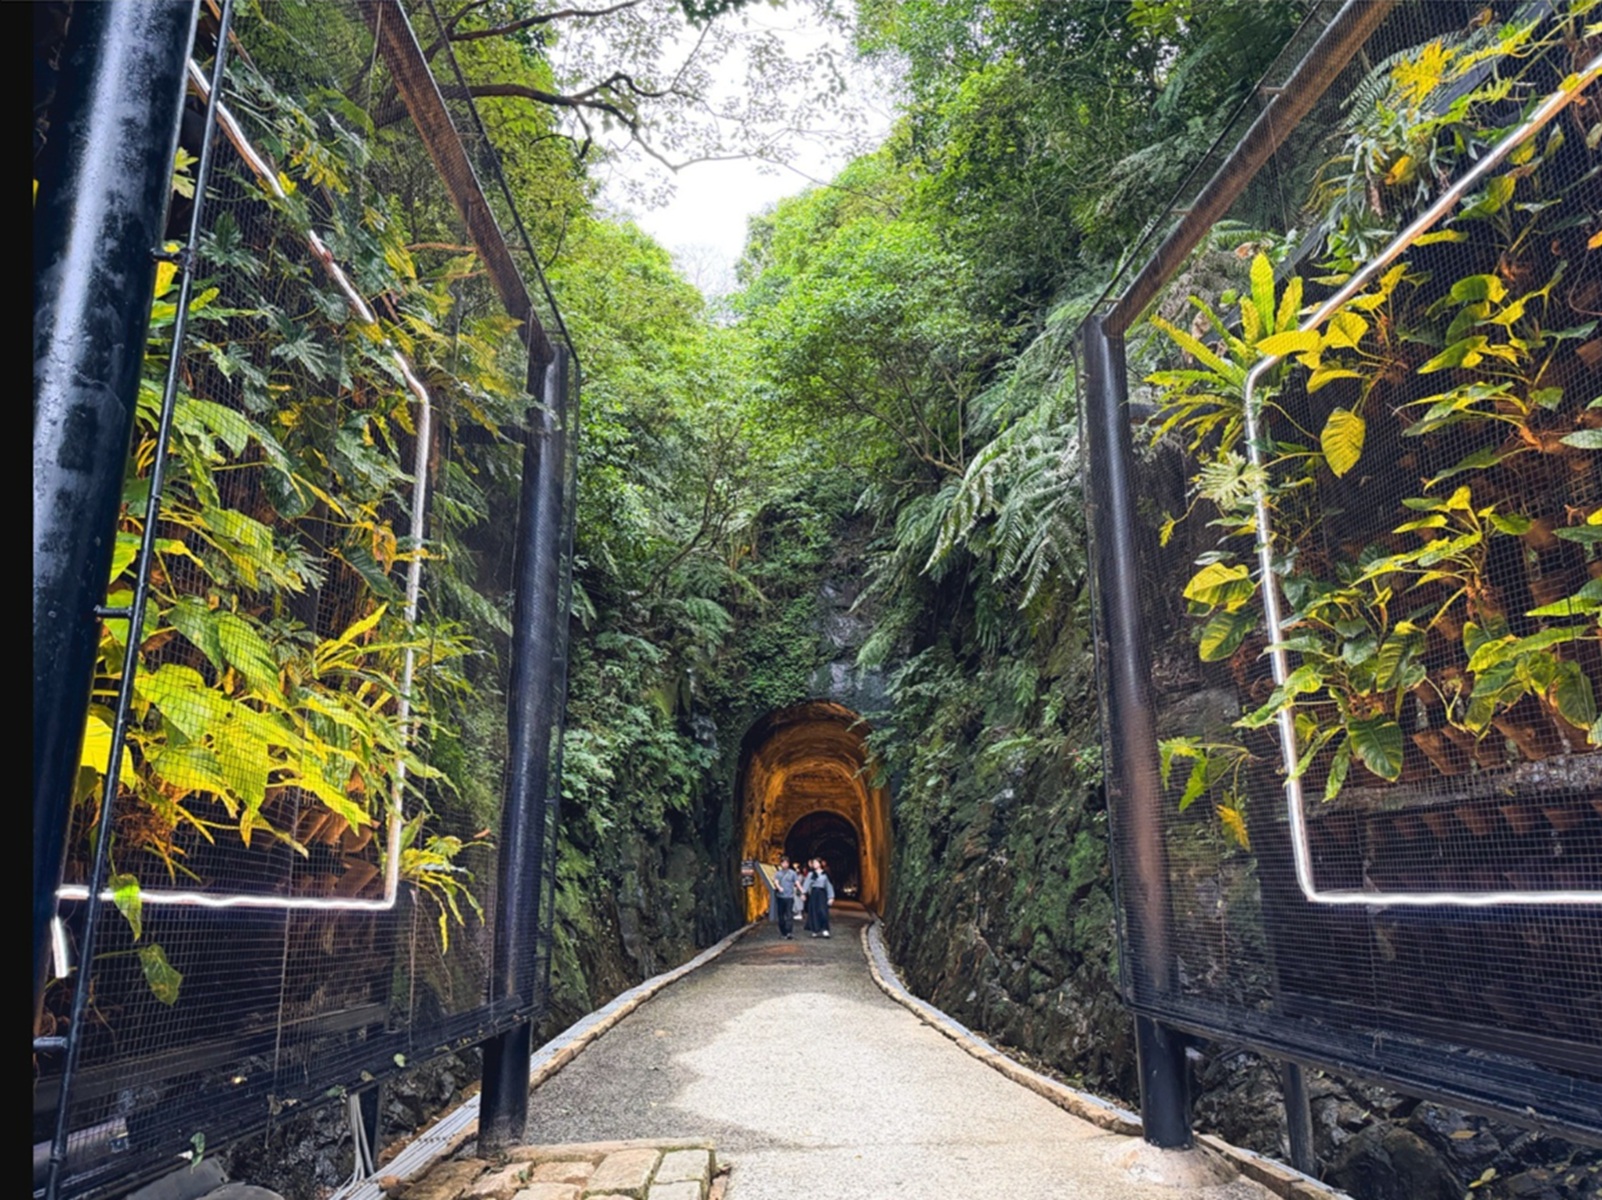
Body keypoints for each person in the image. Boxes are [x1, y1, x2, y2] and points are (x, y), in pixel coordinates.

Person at [806, 857, 834, 938]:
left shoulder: (825, 874)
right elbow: (807, 884)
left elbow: (828, 885)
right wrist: (803, 893)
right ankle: (815, 930)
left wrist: (831, 897)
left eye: (816, 863)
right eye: (813, 863)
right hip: (814, 893)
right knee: (814, 911)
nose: (814, 864)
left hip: (822, 894)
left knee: (823, 911)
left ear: (820, 864)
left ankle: (825, 929)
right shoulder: (811, 874)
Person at [773, 855, 798, 939]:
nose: (785, 864)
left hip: (789, 897)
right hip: (780, 897)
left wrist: (802, 891)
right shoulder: (778, 873)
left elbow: (796, 882)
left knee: (789, 914)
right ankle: (783, 931)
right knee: (781, 915)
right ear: (781, 864)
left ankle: (789, 932)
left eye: (786, 863)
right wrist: (779, 887)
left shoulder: (792, 873)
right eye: (783, 863)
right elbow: (776, 882)